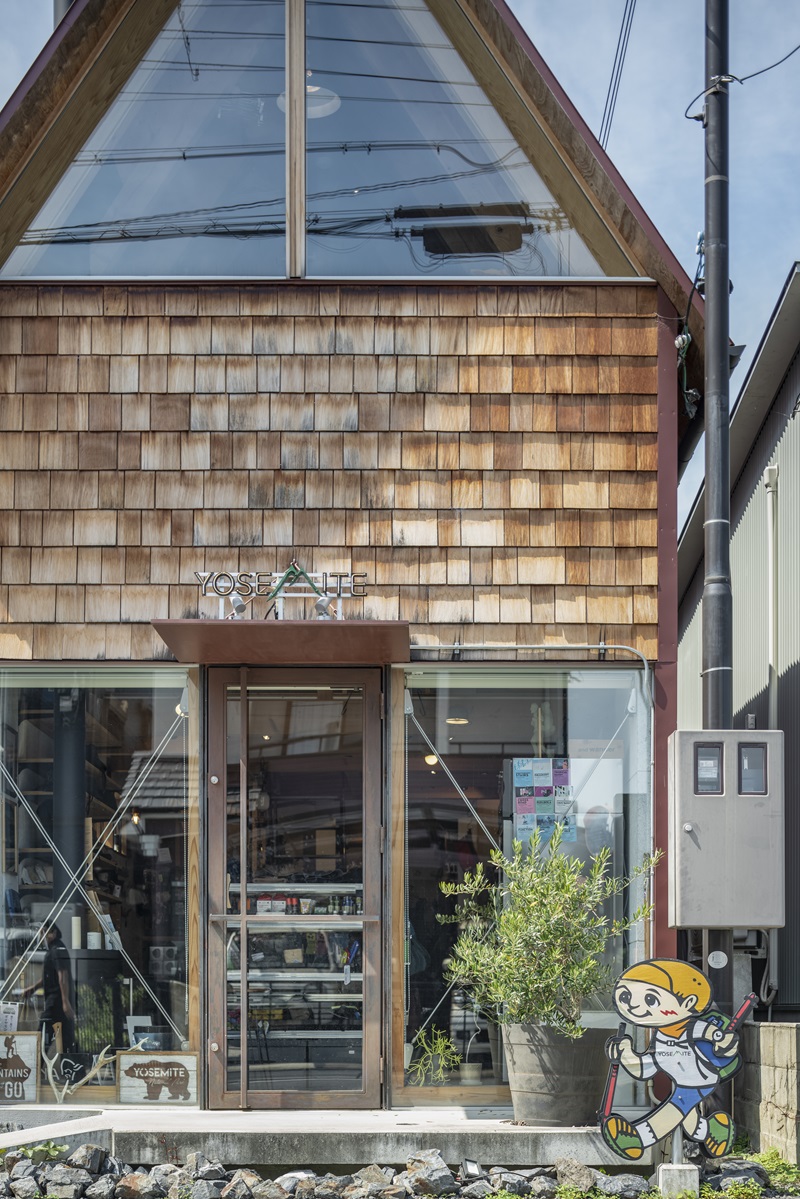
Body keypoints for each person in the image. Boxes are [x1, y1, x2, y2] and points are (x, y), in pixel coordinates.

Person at [601, 958, 739, 1161]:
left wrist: (724, 1042)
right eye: (626, 997)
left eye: (651, 1000)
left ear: (688, 1003)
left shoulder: (692, 1027)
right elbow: (645, 1068)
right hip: (681, 1081)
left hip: (699, 1079)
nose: (634, 1006)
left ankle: (638, 1137)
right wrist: (626, 1054)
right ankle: (712, 1131)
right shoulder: (660, 1036)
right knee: (688, 1119)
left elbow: (719, 1038)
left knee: (674, 1109)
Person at [22, 923, 75, 1053]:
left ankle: (37, 1060)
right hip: (55, 999)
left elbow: (63, 975)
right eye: (42, 932)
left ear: (54, 933)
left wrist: (65, 1001)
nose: (43, 936)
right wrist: (33, 988)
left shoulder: (57, 949)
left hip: (56, 1000)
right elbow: (50, 976)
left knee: (44, 1031)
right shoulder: (52, 950)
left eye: (45, 932)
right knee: (65, 1036)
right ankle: (70, 1062)